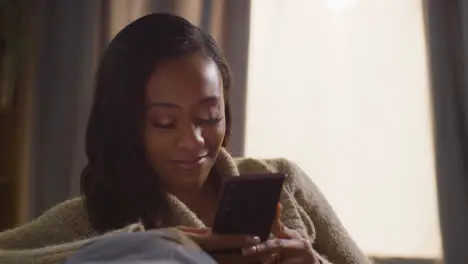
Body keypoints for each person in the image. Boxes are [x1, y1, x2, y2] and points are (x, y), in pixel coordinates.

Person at [0, 13, 371, 264]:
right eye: (164, 122)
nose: (193, 141)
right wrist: (153, 245)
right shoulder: (89, 219)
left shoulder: (283, 180)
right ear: (125, 123)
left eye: (209, 116)